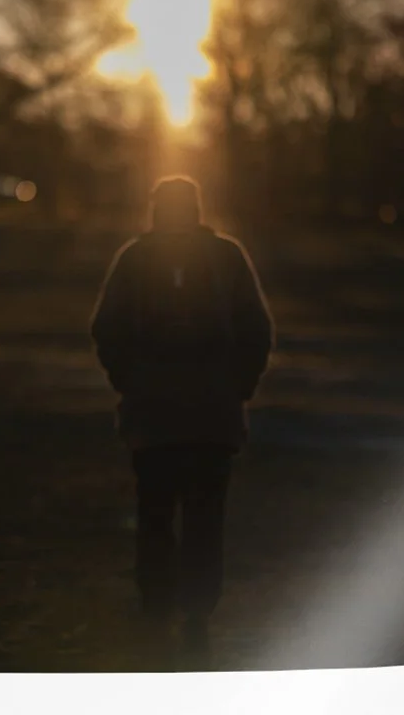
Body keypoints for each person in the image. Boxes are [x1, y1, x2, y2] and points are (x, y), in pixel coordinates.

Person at [90, 176, 274, 657]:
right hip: (213, 414)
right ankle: (197, 609)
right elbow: (258, 329)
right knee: (205, 515)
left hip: (151, 414)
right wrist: (239, 387)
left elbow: (105, 328)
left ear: (156, 209)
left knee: (154, 510)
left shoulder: (135, 258)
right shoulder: (227, 257)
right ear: (196, 208)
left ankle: (156, 607)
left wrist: (128, 381)